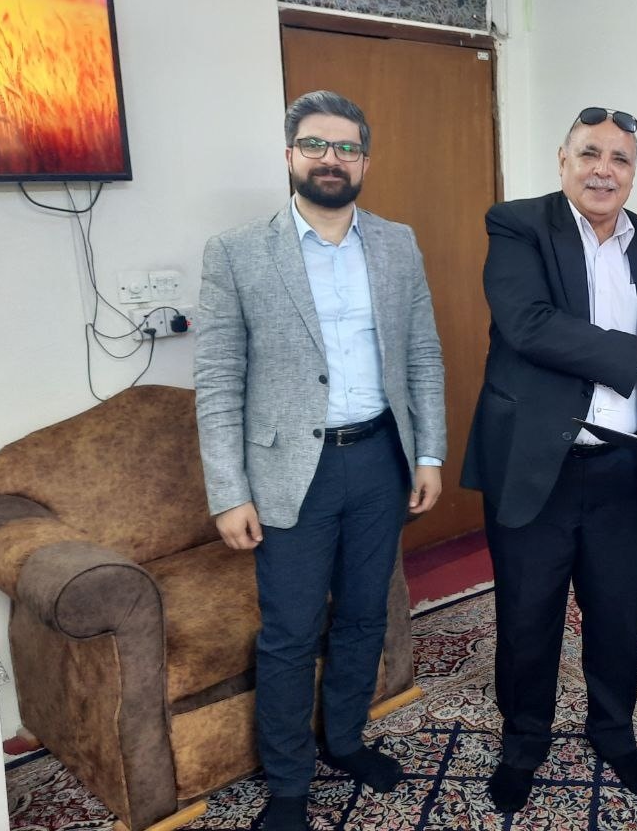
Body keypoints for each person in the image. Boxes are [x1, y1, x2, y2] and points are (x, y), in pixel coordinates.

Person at [194, 90, 446, 831]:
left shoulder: (397, 242)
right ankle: (288, 785)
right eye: (314, 145)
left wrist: (429, 453)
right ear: (289, 156)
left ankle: (345, 741)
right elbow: (218, 380)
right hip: (288, 476)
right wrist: (227, 491)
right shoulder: (237, 251)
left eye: (345, 147)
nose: (330, 159)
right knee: (290, 633)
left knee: (366, 616)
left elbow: (423, 354)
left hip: (379, 461)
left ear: (365, 160)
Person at [461, 106, 637, 813]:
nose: (604, 170)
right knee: (527, 616)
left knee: (617, 615)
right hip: (534, 465)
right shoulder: (517, 225)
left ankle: (613, 731)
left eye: (620, 159)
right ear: (563, 160)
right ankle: (524, 743)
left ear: (634, 172)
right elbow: (531, 327)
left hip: (623, 468)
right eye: (590, 154)